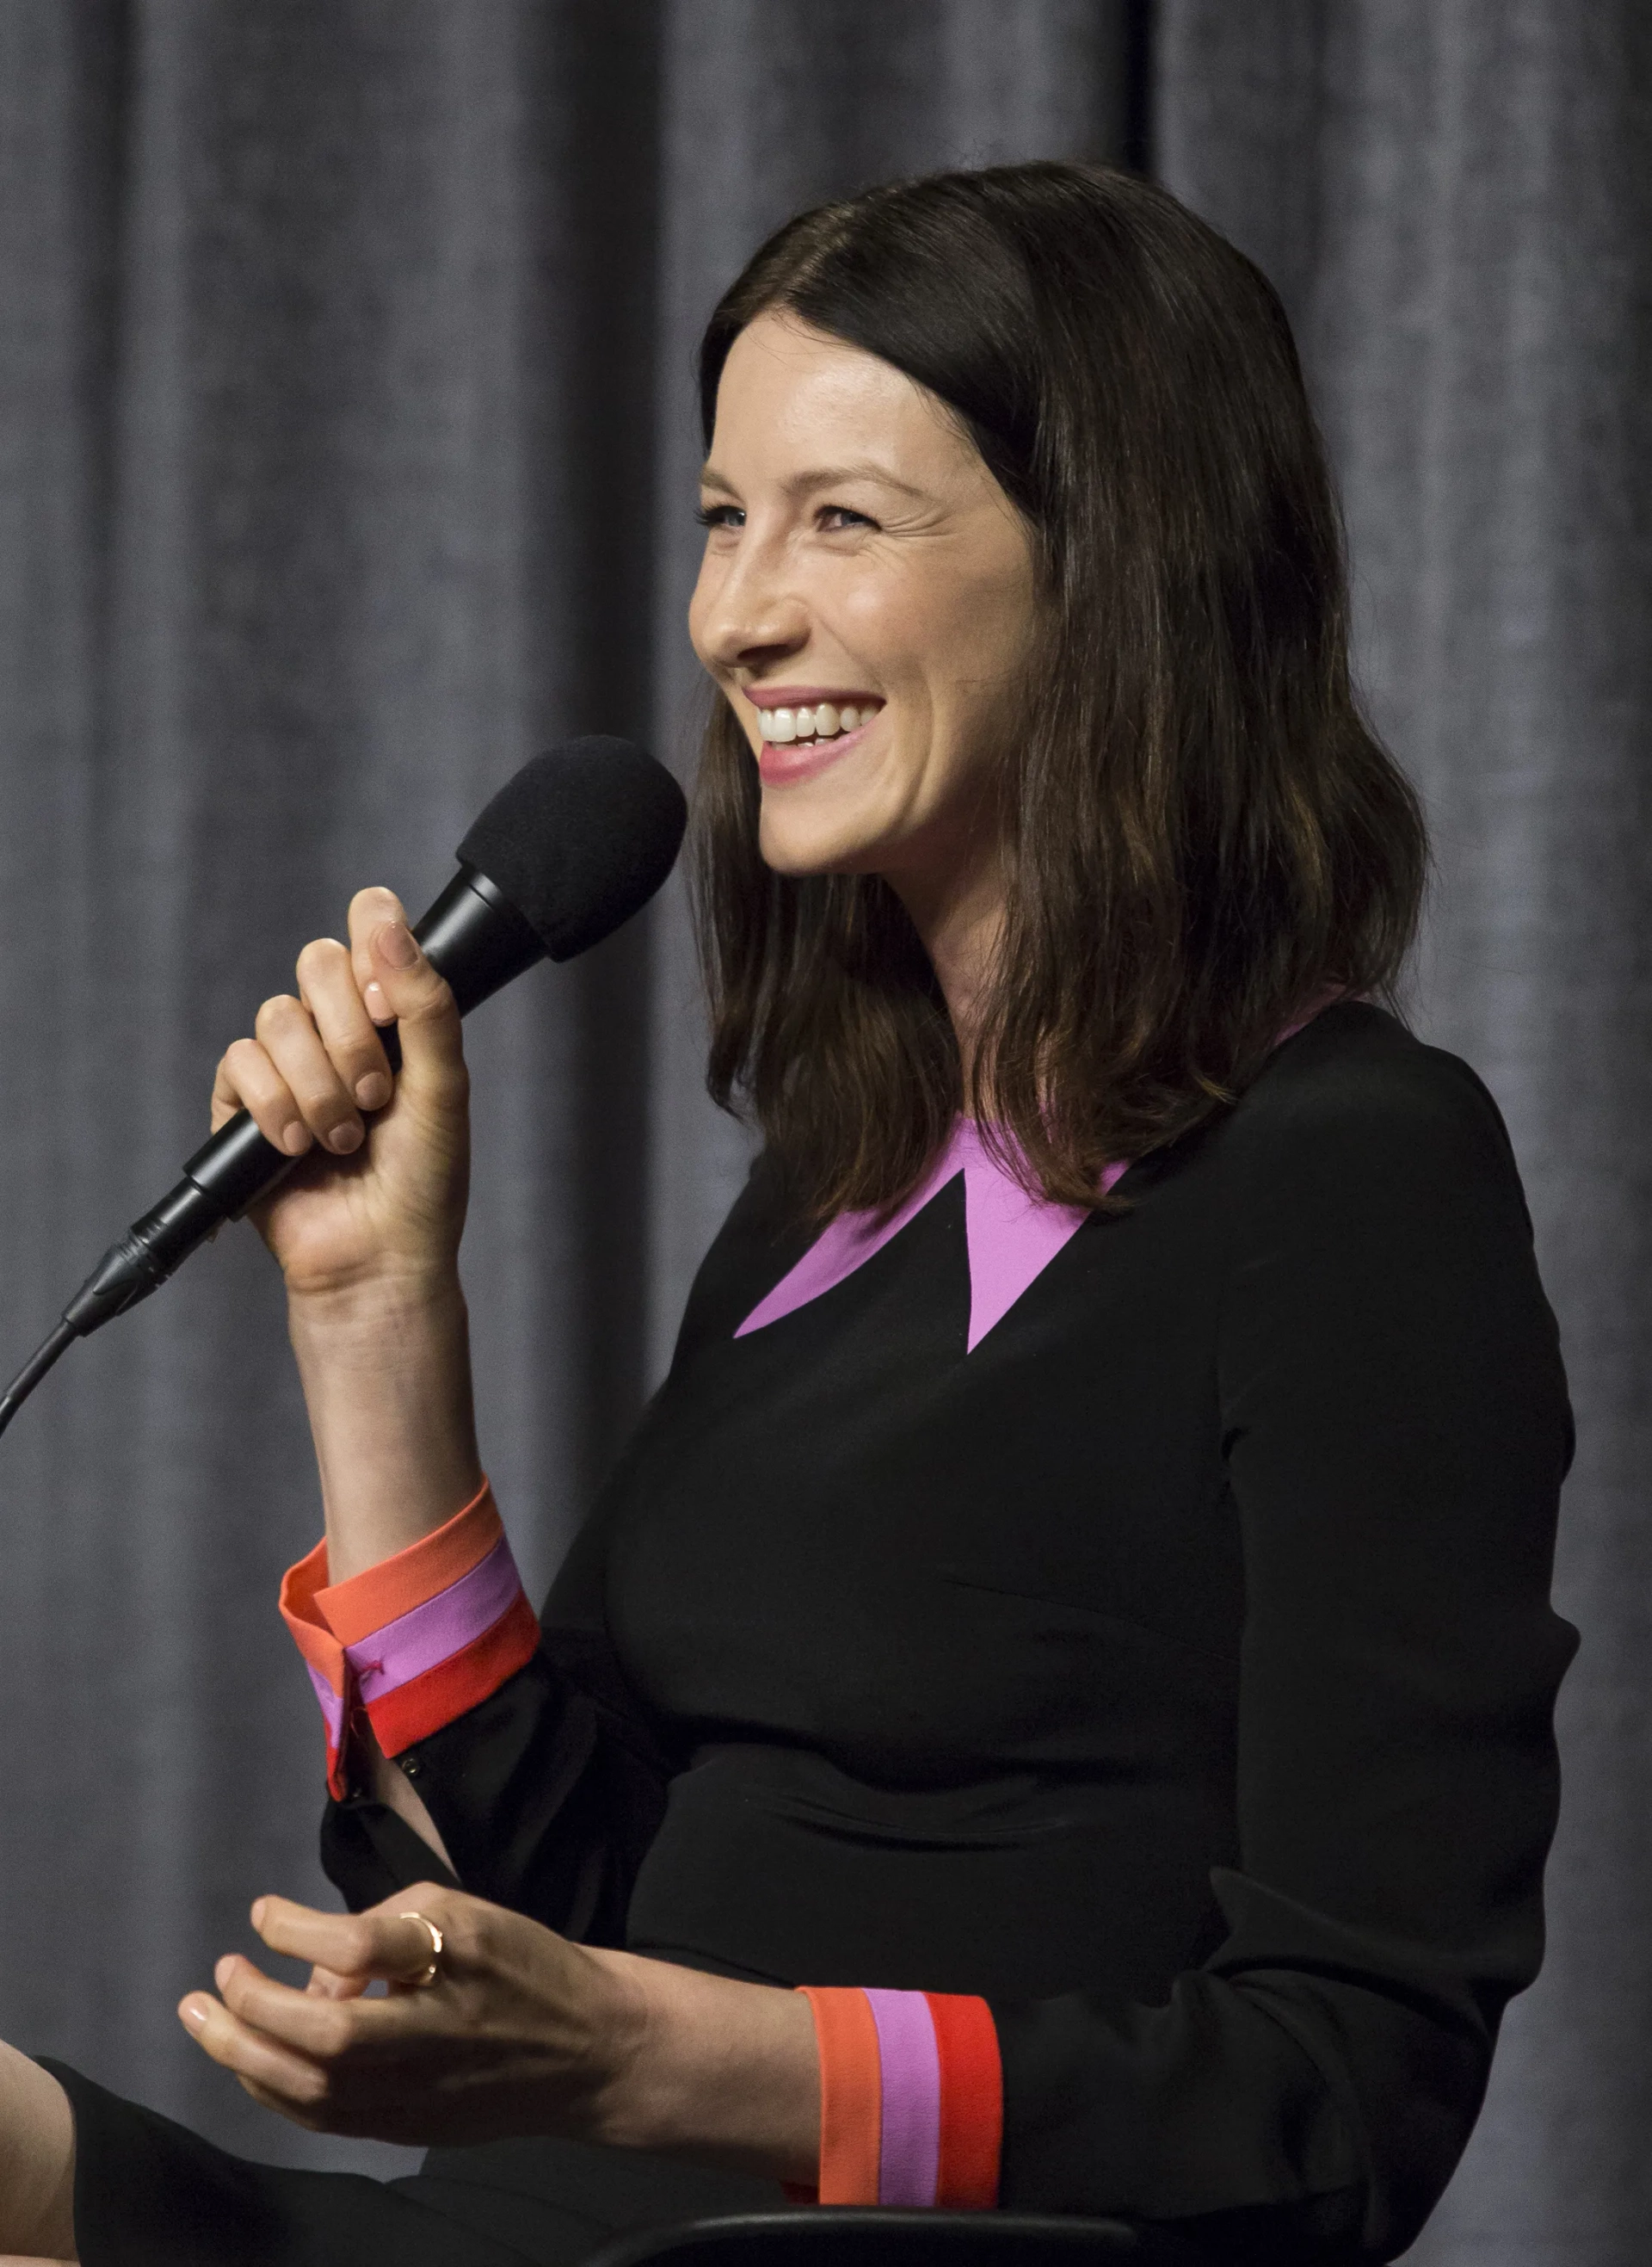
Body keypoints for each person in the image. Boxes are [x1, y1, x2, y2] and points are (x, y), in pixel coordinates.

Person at [0, 160, 1575, 2267]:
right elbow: (561, 1918)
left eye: (842, 518)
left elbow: (1345, 2094)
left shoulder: (1358, 1178)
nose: (735, 614)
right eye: (727, 518)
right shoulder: (831, 1195)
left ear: (1123, 568)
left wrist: (675, 2063)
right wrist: (375, 1315)